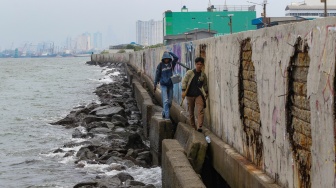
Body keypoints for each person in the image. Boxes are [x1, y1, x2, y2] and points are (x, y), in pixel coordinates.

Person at [181, 57, 208, 132]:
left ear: (202, 65)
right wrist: (183, 91)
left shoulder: (203, 75)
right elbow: (184, 82)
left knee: (200, 110)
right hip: (189, 95)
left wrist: (206, 93)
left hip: (198, 95)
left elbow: (205, 85)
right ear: (195, 64)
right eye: (198, 64)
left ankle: (199, 127)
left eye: (200, 64)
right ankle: (193, 127)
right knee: (191, 112)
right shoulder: (190, 73)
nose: (199, 65)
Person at [154, 51, 179, 119]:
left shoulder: (171, 64)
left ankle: (164, 112)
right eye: (165, 59)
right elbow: (157, 75)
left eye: (167, 58)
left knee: (170, 102)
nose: (166, 60)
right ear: (163, 59)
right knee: (165, 101)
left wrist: (170, 53)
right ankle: (167, 118)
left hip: (170, 85)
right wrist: (155, 84)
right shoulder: (160, 65)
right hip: (163, 85)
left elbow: (176, 58)